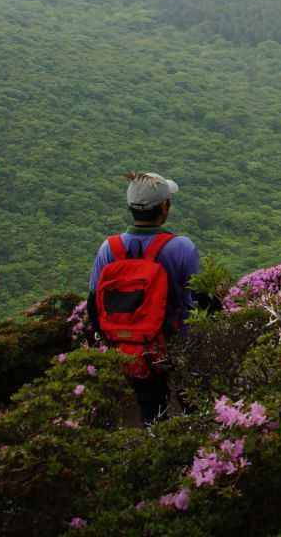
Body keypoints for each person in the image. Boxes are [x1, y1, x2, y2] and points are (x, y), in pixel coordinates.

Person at [88, 171, 202, 423]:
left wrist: (115, 340)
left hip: (133, 348)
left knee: (151, 410)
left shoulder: (109, 248)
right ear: (164, 207)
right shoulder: (182, 247)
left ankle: (156, 440)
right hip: (180, 345)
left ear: (131, 207)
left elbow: (93, 304)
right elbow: (204, 299)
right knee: (195, 406)